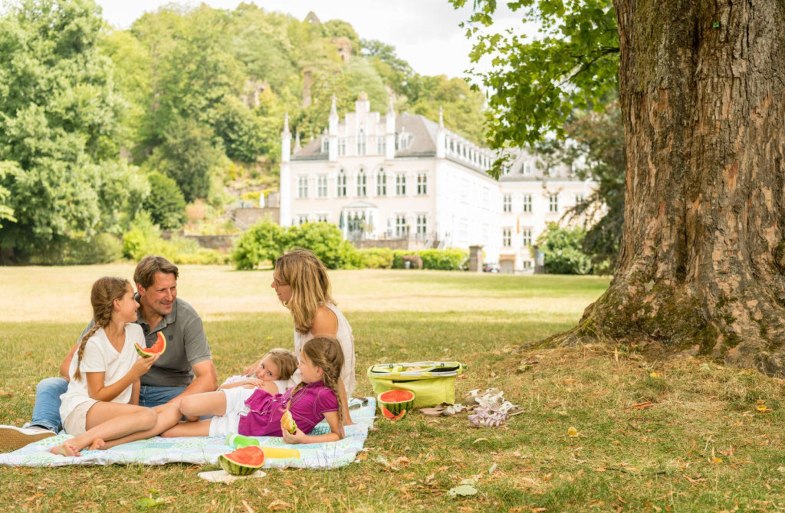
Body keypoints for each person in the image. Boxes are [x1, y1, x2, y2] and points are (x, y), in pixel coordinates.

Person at [0, 256, 218, 452]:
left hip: (166, 392)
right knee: (51, 386)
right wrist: (101, 379)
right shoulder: (114, 314)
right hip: (107, 394)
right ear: (140, 290)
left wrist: (175, 405)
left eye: (173, 288)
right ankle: (41, 429)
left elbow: (208, 378)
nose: (170, 296)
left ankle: (110, 438)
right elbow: (70, 365)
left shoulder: (184, 318)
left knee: (205, 409)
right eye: (162, 290)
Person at [49, 277, 160, 456]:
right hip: (83, 410)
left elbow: (136, 381)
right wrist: (133, 375)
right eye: (132, 298)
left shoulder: (136, 332)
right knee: (149, 417)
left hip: (111, 413)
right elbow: (97, 394)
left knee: (153, 421)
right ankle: (75, 442)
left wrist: (133, 413)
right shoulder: (96, 343)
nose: (137, 305)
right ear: (117, 303)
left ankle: (104, 443)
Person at [162, 337, 345, 444]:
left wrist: (304, 439)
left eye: (303, 362)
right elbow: (283, 403)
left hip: (244, 425)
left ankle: (156, 421)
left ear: (319, 370)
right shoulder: (306, 383)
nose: (299, 366)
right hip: (249, 400)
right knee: (186, 406)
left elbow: (337, 434)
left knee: (166, 432)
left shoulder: (324, 395)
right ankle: (183, 417)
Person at [272, 248, 355, 424]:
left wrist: (345, 420)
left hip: (313, 400)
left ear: (296, 285)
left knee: (237, 397)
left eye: (278, 282)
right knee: (239, 386)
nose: (273, 286)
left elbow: (331, 371)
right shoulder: (311, 312)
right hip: (303, 389)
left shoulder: (322, 317)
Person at [219, 348, 298, 395]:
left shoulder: (269, 388)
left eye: (269, 373)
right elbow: (220, 389)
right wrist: (246, 382)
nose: (261, 374)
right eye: (262, 366)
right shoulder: (244, 379)